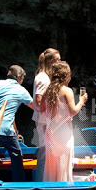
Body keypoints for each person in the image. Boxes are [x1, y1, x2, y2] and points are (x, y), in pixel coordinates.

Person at [0, 65, 34, 182]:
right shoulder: (21, 90)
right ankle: (18, 182)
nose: (23, 81)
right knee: (16, 154)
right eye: (23, 78)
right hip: (4, 127)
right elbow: (35, 107)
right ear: (19, 77)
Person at [41, 61, 88, 182]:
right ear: (66, 75)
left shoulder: (47, 91)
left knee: (51, 165)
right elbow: (73, 111)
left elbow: (41, 109)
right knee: (63, 163)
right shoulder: (67, 91)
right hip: (63, 132)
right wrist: (82, 101)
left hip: (50, 132)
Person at [32, 48, 61, 182]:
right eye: (58, 60)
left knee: (47, 152)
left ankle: (45, 180)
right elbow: (38, 101)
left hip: (45, 120)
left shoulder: (43, 76)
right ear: (51, 61)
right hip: (45, 121)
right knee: (44, 153)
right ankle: (40, 183)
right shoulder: (43, 78)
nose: (59, 62)